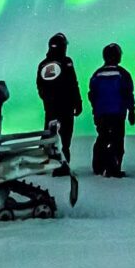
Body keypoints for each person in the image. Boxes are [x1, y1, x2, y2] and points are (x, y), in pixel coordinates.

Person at [36, 32, 82, 177]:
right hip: (66, 107)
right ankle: (61, 165)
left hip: (51, 107)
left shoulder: (43, 64)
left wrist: (47, 101)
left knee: (49, 135)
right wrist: (77, 102)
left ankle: (41, 163)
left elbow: (40, 86)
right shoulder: (66, 62)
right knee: (65, 137)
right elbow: (73, 83)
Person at [88, 43, 135, 177]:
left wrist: (95, 110)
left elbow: (92, 94)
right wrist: (131, 110)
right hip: (118, 113)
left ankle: (98, 167)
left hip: (101, 113)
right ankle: (113, 168)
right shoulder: (123, 73)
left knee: (102, 138)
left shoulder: (97, 74)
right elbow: (128, 93)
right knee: (117, 141)